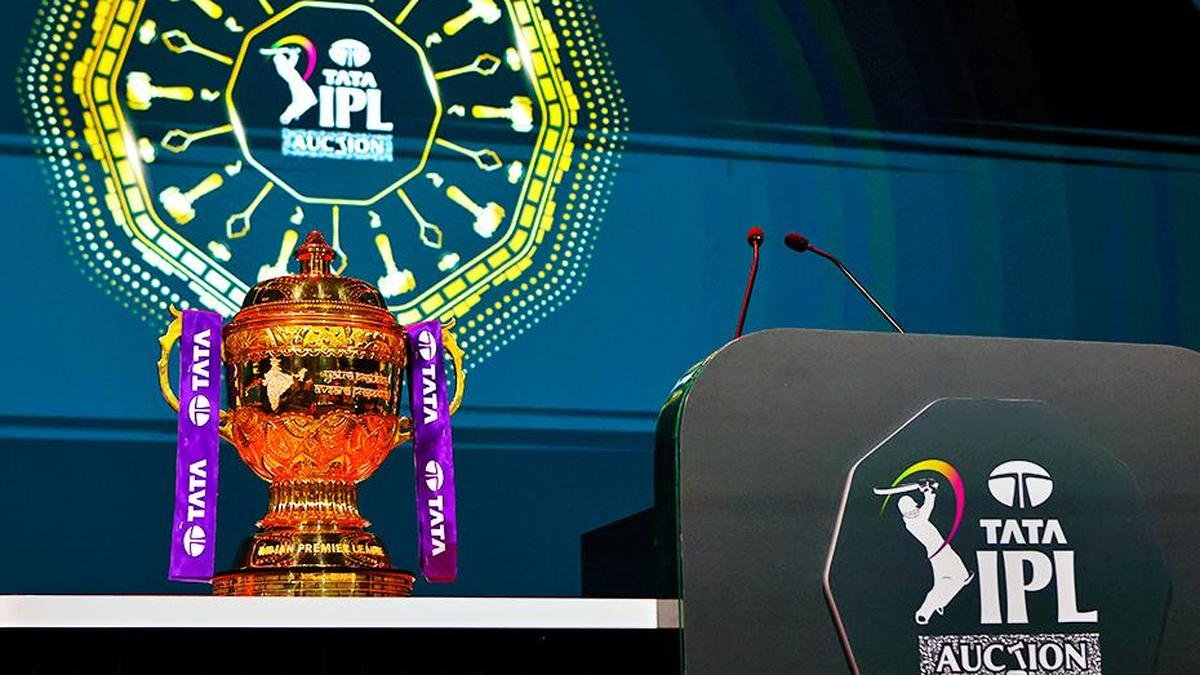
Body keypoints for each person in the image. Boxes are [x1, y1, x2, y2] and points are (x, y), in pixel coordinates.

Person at [895, 481, 974, 624]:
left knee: (951, 581)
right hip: (940, 553)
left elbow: (926, 508)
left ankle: (932, 608)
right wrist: (928, 492)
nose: (913, 513)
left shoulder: (917, 517)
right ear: (905, 514)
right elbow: (927, 508)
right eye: (910, 512)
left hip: (939, 552)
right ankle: (925, 612)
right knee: (959, 577)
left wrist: (930, 491)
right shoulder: (913, 523)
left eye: (914, 510)